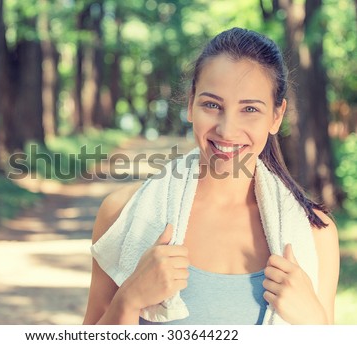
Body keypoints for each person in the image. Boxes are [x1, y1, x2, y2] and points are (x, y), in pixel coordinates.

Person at [83, 27, 340, 325]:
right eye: (212, 105)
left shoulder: (316, 233)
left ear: (276, 116)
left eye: (250, 109)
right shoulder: (121, 213)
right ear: (191, 104)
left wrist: (315, 324)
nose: (227, 129)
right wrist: (128, 300)